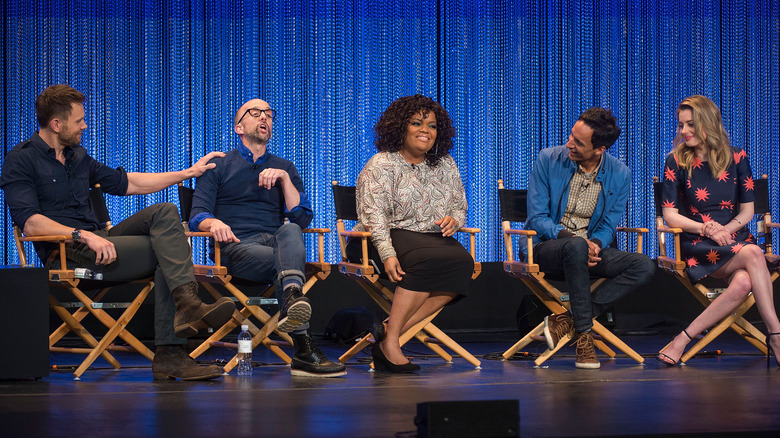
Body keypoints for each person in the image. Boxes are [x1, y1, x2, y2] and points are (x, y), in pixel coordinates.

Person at [0, 84, 236, 380]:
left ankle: (186, 313)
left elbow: (129, 183)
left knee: (165, 213)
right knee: (171, 252)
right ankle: (172, 352)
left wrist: (187, 173)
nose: (85, 125)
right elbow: (30, 222)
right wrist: (81, 234)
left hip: (100, 242)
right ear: (56, 124)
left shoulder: (78, 156)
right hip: (66, 254)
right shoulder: (21, 159)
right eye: (79, 120)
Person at [188, 98, 346, 377]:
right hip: (237, 248)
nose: (264, 117)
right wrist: (214, 224)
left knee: (290, 231)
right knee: (288, 267)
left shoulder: (284, 167)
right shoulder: (218, 165)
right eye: (255, 112)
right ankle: (304, 349)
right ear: (239, 127)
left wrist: (285, 179)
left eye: (269, 114)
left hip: (277, 245)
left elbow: (302, 218)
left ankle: (290, 295)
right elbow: (197, 214)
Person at [524, 107, 656, 369]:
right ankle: (585, 337)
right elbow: (537, 218)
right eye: (571, 136)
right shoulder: (548, 159)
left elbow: (608, 225)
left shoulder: (621, 174)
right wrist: (571, 238)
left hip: (588, 251)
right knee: (573, 245)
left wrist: (595, 245)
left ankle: (568, 320)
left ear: (600, 149)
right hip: (547, 248)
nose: (568, 144)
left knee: (644, 265)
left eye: (578, 142)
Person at [352, 94, 474, 373]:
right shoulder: (381, 164)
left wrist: (455, 219)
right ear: (400, 127)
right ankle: (392, 342)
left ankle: (387, 331)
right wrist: (387, 255)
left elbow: (459, 205)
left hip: (430, 238)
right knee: (425, 261)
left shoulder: (445, 163)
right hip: (378, 238)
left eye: (431, 126)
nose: (425, 131)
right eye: (417, 123)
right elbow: (375, 218)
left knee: (462, 264)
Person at [657, 95, 780, 367]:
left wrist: (726, 229)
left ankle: (683, 338)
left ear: (708, 123)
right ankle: (776, 334)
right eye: (680, 125)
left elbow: (747, 211)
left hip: (734, 237)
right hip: (696, 243)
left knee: (744, 281)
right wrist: (708, 229)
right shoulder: (675, 161)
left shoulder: (737, 157)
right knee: (754, 255)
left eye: (691, 125)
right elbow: (670, 214)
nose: (683, 131)